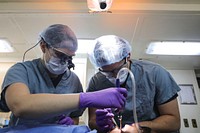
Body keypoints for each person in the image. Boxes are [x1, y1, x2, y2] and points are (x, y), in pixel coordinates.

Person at [0, 25, 127, 128]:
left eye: (69, 58)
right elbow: (19, 106)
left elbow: (75, 118)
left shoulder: (74, 81)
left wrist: (71, 123)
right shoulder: (21, 71)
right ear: (43, 46)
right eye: (60, 55)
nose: (64, 62)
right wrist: (86, 98)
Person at [87, 35, 181, 133]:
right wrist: (102, 124)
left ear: (128, 56)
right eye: (107, 72)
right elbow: (92, 121)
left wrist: (140, 128)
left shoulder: (155, 73)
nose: (115, 76)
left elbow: (174, 121)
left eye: (118, 69)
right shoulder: (96, 82)